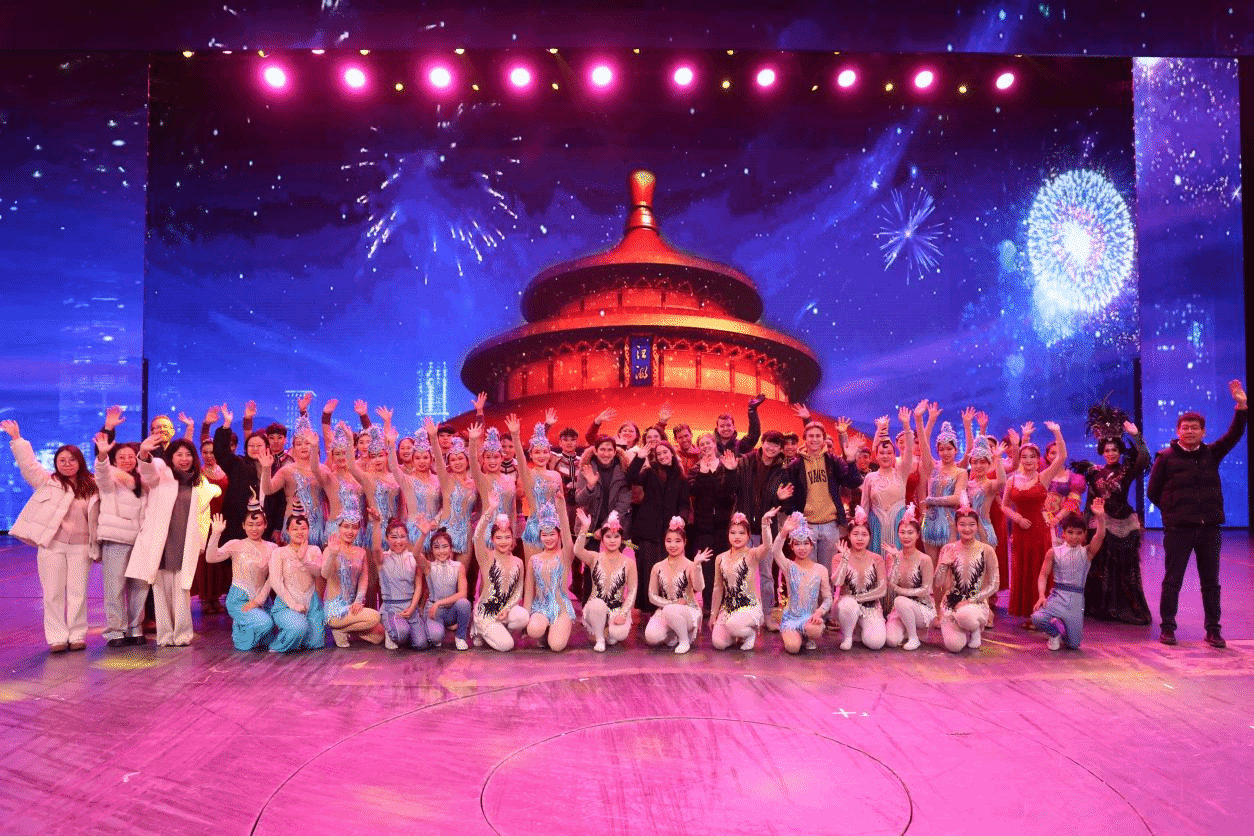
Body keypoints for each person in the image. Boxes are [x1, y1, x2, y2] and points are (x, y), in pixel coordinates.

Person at [1148, 379, 1247, 648]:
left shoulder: (1211, 453)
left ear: (1203, 432)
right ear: (1177, 431)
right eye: (1185, 427)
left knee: (1211, 583)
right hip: (1179, 529)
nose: (1190, 431)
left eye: (1195, 428)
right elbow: (1153, 492)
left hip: (1209, 528)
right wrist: (1174, 513)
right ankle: (1168, 628)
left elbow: (1234, 435)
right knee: (1173, 580)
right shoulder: (1165, 457)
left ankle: (1213, 630)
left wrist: (1241, 407)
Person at [3, 419, 100, 652]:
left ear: (80, 461)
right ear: (56, 463)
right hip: (52, 546)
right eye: (62, 460)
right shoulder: (48, 482)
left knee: (78, 594)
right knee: (53, 593)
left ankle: (77, 635)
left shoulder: (93, 484)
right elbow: (29, 465)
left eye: (72, 460)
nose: (67, 464)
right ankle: (57, 637)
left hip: (81, 547)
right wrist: (17, 439)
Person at [127, 435, 221, 647]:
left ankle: (183, 634)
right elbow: (148, 472)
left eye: (188, 454)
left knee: (182, 592)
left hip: (185, 543)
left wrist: (201, 543)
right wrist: (144, 453)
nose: (184, 459)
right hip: (161, 543)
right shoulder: (161, 477)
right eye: (179, 455)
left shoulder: (199, 483)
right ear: (171, 457)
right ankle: (165, 635)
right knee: (160, 592)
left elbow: (203, 516)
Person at [1082, 407, 1152, 625]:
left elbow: (1144, 459)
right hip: (1100, 521)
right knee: (1100, 566)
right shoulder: (1094, 472)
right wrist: (1087, 524)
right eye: (1107, 450)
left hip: (1123, 523)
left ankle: (1121, 606)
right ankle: (1101, 607)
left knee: (1124, 567)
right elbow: (1090, 500)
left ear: (1120, 451)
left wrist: (1136, 436)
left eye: (1114, 450)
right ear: (1102, 452)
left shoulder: (1127, 470)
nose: (1111, 453)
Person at [1002, 421, 1067, 627]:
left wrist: (1057, 432)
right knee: (1023, 570)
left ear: (1038, 459)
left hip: (1039, 530)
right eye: (1024, 456)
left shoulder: (1043, 477)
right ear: (1019, 459)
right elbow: (1004, 506)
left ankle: (1042, 614)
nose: (1028, 460)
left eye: (1032, 456)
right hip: (1021, 531)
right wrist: (1017, 519)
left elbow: (1062, 457)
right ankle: (1029, 613)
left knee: (1040, 570)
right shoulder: (1012, 480)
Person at [782, 418, 864, 573]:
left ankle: (828, 591)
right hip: (806, 525)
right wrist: (795, 518)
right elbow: (789, 496)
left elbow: (853, 482)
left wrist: (851, 460)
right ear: (805, 439)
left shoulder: (833, 461)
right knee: (807, 573)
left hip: (830, 525)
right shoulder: (795, 466)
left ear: (824, 439)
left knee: (828, 572)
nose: (814, 439)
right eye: (811, 436)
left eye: (818, 436)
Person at [93, 434, 149, 647]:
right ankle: (115, 630)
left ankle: (135, 627)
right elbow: (102, 473)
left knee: (139, 587)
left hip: (141, 541)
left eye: (130, 457)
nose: (127, 460)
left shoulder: (143, 482)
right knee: (114, 586)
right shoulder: (110, 481)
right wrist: (102, 455)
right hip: (116, 539)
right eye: (122, 457)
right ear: (115, 461)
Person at [627, 437, 691, 616]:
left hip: (669, 532)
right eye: (659, 454)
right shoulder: (650, 472)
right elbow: (630, 478)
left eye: (665, 452)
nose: (662, 456)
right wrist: (639, 458)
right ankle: (647, 608)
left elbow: (684, 504)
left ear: (672, 453)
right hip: (647, 530)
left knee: (667, 570)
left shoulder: (681, 477)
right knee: (647, 569)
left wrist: (682, 519)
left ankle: (666, 606)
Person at [1032, 502, 1107, 651]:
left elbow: (1100, 536)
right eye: (1071, 532)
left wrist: (1100, 517)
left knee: (1073, 645)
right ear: (1064, 533)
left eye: (1079, 533)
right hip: (1057, 597)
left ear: (1084, 534)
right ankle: (1054, 633)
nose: (1074, 537)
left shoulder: (1087, 552)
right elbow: (1043, 575)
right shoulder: (1053, 552)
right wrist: (1041, 595)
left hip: (1076, 601)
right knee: (1037, 618)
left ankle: (1061, 626)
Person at [205, 499, 276, 651]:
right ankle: (240, 632)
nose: (254, 528)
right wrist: (215, 534)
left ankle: (245, 624)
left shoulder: (272, 548)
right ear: (243, 525)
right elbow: (210, 558)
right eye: (250, 524)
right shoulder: (235, 544)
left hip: (262, 599)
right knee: (264, 624)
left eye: (258, 524)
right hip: (239, 598)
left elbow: (273, 578)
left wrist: (259, 600)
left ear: (265, 525)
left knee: (268, 637)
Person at [934, 503, 999, 652]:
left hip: (975, 602)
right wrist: (943, 564)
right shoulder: (948, 549)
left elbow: (994, 585)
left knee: (965, 615)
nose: (967, 529)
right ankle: (960, 628)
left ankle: (975, 630)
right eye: (962, 524)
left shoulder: (986, 550)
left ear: (977, 526)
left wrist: (970, 601)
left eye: (971, 524)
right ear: (956, 526)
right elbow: (938, 583)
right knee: (954, 646)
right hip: (951, 603)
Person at [709, 510, 777, 651]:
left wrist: (765, 524)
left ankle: (750, 634)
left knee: (733, 625)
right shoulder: (720, 558)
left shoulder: (752, 554)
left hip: (749, 606)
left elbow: (767, 546)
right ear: (728, 534)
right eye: (733, 533)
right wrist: (713, 614)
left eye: (741, 533)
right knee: (719, 643)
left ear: (748, 535)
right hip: (728, 608)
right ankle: (737, 633)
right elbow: (718, 588)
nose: (737, 536)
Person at [644, 517, 710, 654]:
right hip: (666, 609)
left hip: (688, 610)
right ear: (664, 542)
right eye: (669, 541)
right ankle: (674, 632)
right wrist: (672, 603)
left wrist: (697, 566)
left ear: (685, 542)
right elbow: (652, 596)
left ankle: (684, 640)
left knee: (670, 611)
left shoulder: (690, 565)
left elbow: (699, 588)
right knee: (651, 637)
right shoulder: (657, 567)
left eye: (677, 541)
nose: (672, 545)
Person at [575, 509, 638, 652]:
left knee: (618, 634)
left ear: (622, 539)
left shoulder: (629, 563)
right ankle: (600, 638)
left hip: (616, 609)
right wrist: (584, 529)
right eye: (608, 536)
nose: (612, 540)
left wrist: (623, 614)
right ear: (602, 539)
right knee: (598, 605)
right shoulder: (595, 557)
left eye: (616, 536)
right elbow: (577, 551)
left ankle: (605, 631)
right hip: (595, 607)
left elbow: (632, 591)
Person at [268, 503, 327, 653]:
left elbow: (318, 573)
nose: (299, 532)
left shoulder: (314, 550)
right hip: (287, 603)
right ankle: (281, 642)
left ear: (309, 530)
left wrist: (303, 558)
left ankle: (297, 636)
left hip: (311, 604)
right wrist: (293, 605)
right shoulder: (279, 552)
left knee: (316, 643)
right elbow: (275, 582)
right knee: (298, 628)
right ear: (287, 530)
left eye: (303, 528)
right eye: (295, 529)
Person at [770, 513, 832, 654]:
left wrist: (819, 612)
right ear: (792, 546)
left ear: (811, 545)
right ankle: (793, 635)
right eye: (797, 544)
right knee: (793, 648)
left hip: (810, 618)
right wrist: (784, 532)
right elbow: (775, 551)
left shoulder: (820, 569)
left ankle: (807, 636)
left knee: (814, 630)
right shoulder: (789, 566)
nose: (802, 548)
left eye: (805, 543)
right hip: (792, 618)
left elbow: (828, 598)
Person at [321, 515, 384, 647]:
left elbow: (363, 579)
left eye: (354, 527)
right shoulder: (330, 549)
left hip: (352, 608)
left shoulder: (361, 552)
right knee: (375, 617)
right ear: (338, 527)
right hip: (334, 609)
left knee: (379, 635)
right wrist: (332, 554)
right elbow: (325, 575)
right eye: (346, 526)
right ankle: (339, 628)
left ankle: (342, 630)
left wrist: (358, 600)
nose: (350, 531)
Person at [522, 502, 576, 652]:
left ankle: (556, 628)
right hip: (541, 607)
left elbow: (568, 540)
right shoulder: (534, 559)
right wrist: (525, 619)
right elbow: (529, 592)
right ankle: (544, 630)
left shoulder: (565, 555)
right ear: (540, 536)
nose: (548, 538)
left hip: (561, 608)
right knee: (533, 630)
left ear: (559, 535)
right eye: (544, 535)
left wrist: (562, 508)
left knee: (556, 646)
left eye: (552, 534)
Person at [470, 512, 528, 652]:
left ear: (513, 539)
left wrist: (507, 608)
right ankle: (479, 629)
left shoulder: (518, 562)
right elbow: (477, 536)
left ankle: (499, 628)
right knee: (507, 645)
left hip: (504, 609)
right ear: (492, 539)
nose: (503, 542)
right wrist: (490, 511)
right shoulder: (486, 557)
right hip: (487, 611)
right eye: (499, 538)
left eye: (507, 537)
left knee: (523, 617)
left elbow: (518, 592)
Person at [832, 507, 888, 651]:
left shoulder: (877, 559)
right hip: (847, 605)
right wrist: (844, 560)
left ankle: (860, 628)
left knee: (876, 643)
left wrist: (858, 598)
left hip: (870, 607)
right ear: (849, 536)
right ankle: (847, 636)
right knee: (849, 605)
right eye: (855, 534)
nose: (860, 538)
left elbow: (882, 590)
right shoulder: (838, 557)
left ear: (869, 537)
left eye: (864, 534)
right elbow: (837, 582)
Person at [883, 508, 935, 650]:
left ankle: (913, 637)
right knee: (891, 641)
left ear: (918, 535)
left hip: (921, 607)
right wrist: (895, 560)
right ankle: (908, 628)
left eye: (910, 533)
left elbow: (925, 590)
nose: (906, 536)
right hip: (901, 608)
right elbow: (891, 583)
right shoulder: (893, 555)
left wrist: (901, 591)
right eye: (902, 532)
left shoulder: (925, 559)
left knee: (900, 600)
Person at [373, 520, 428, 650]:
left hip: (410, 607)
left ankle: (403, 628)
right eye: (394, 537)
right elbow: (376, 548)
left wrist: (412, 608)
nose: (398, 541)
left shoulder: (413, 557)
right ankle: (390, 630)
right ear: (387, 538)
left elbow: (418, 586)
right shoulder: (383, 558)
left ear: (407, 538)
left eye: (402, 537)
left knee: (421, 644)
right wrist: (376, 523)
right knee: (401, 634)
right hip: (391, 607)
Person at [418, 528, 472, 650]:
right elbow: (416, 554)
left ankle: (460, 637)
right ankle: (438, 627)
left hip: (450, 609)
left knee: (464, 604)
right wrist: (423, 534)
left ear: (450, 548)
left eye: (445, 546)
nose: (441, 551)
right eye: (437, 547)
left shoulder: (458, 566)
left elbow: (463, 594)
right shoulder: (429, 566)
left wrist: (439, 603)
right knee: (435, 638)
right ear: (432, 550)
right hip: (434, 611)